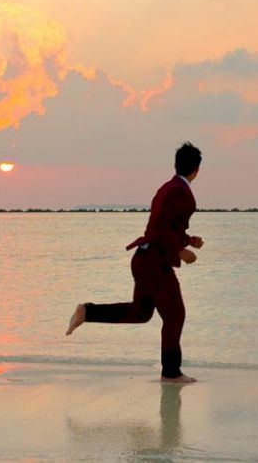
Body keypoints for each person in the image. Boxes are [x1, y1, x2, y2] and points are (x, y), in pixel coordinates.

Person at [67, 143, 205, 383]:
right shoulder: (181, 192)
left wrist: (188, 240)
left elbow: (165, 226)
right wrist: (181, 250)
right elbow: (163, 228)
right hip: (154, 261)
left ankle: (87, 311)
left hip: (144, 258)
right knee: (175, 315)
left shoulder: (167, 188)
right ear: (197, 169)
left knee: (141, 313)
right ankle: (171, 373)